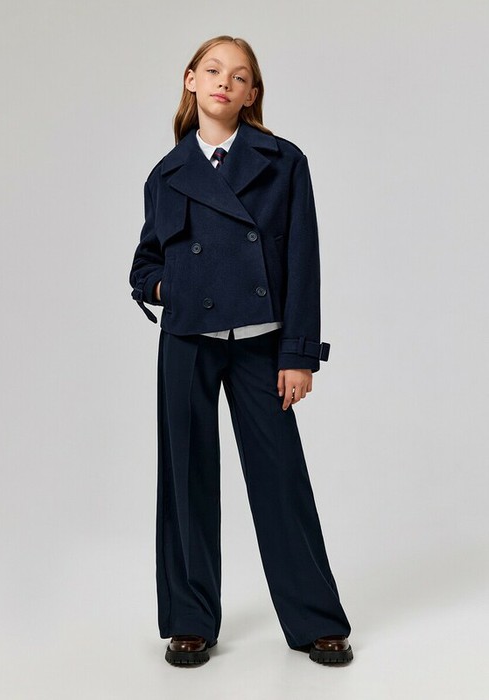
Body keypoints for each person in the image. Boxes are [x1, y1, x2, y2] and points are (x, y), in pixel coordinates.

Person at [129, 35, 353, 667]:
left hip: (260, 342)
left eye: (239, 75)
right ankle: (190, 620)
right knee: (186, 478)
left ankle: (316, 620)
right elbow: (145, 265)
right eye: (213, 70)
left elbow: (303, 262)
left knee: (280, 479)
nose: (224, 82)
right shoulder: (166, 174)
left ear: (252, 93)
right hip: (187, 343)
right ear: (191, 80)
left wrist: (298, 354)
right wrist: (167, 286)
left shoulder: (284, 162)